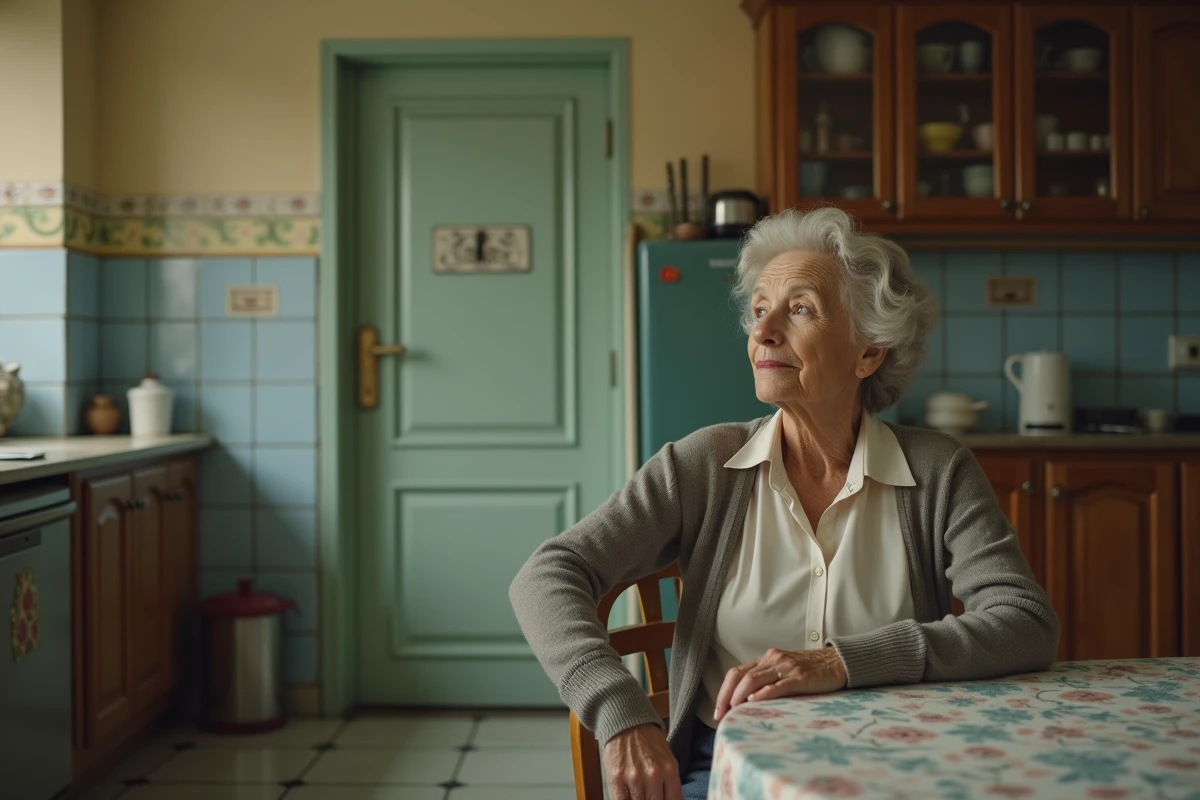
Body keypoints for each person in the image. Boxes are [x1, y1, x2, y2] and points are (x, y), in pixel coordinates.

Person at [510, 207, 1059, 800]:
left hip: (897, 761)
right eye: (759, 309)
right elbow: (547, 575)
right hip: (726, 766)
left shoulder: (938, 469)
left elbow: (1024, 622)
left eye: (799, 309)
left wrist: (840, 662)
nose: (763, 332)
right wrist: (622, 711)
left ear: (869, 351)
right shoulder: (704, 464)